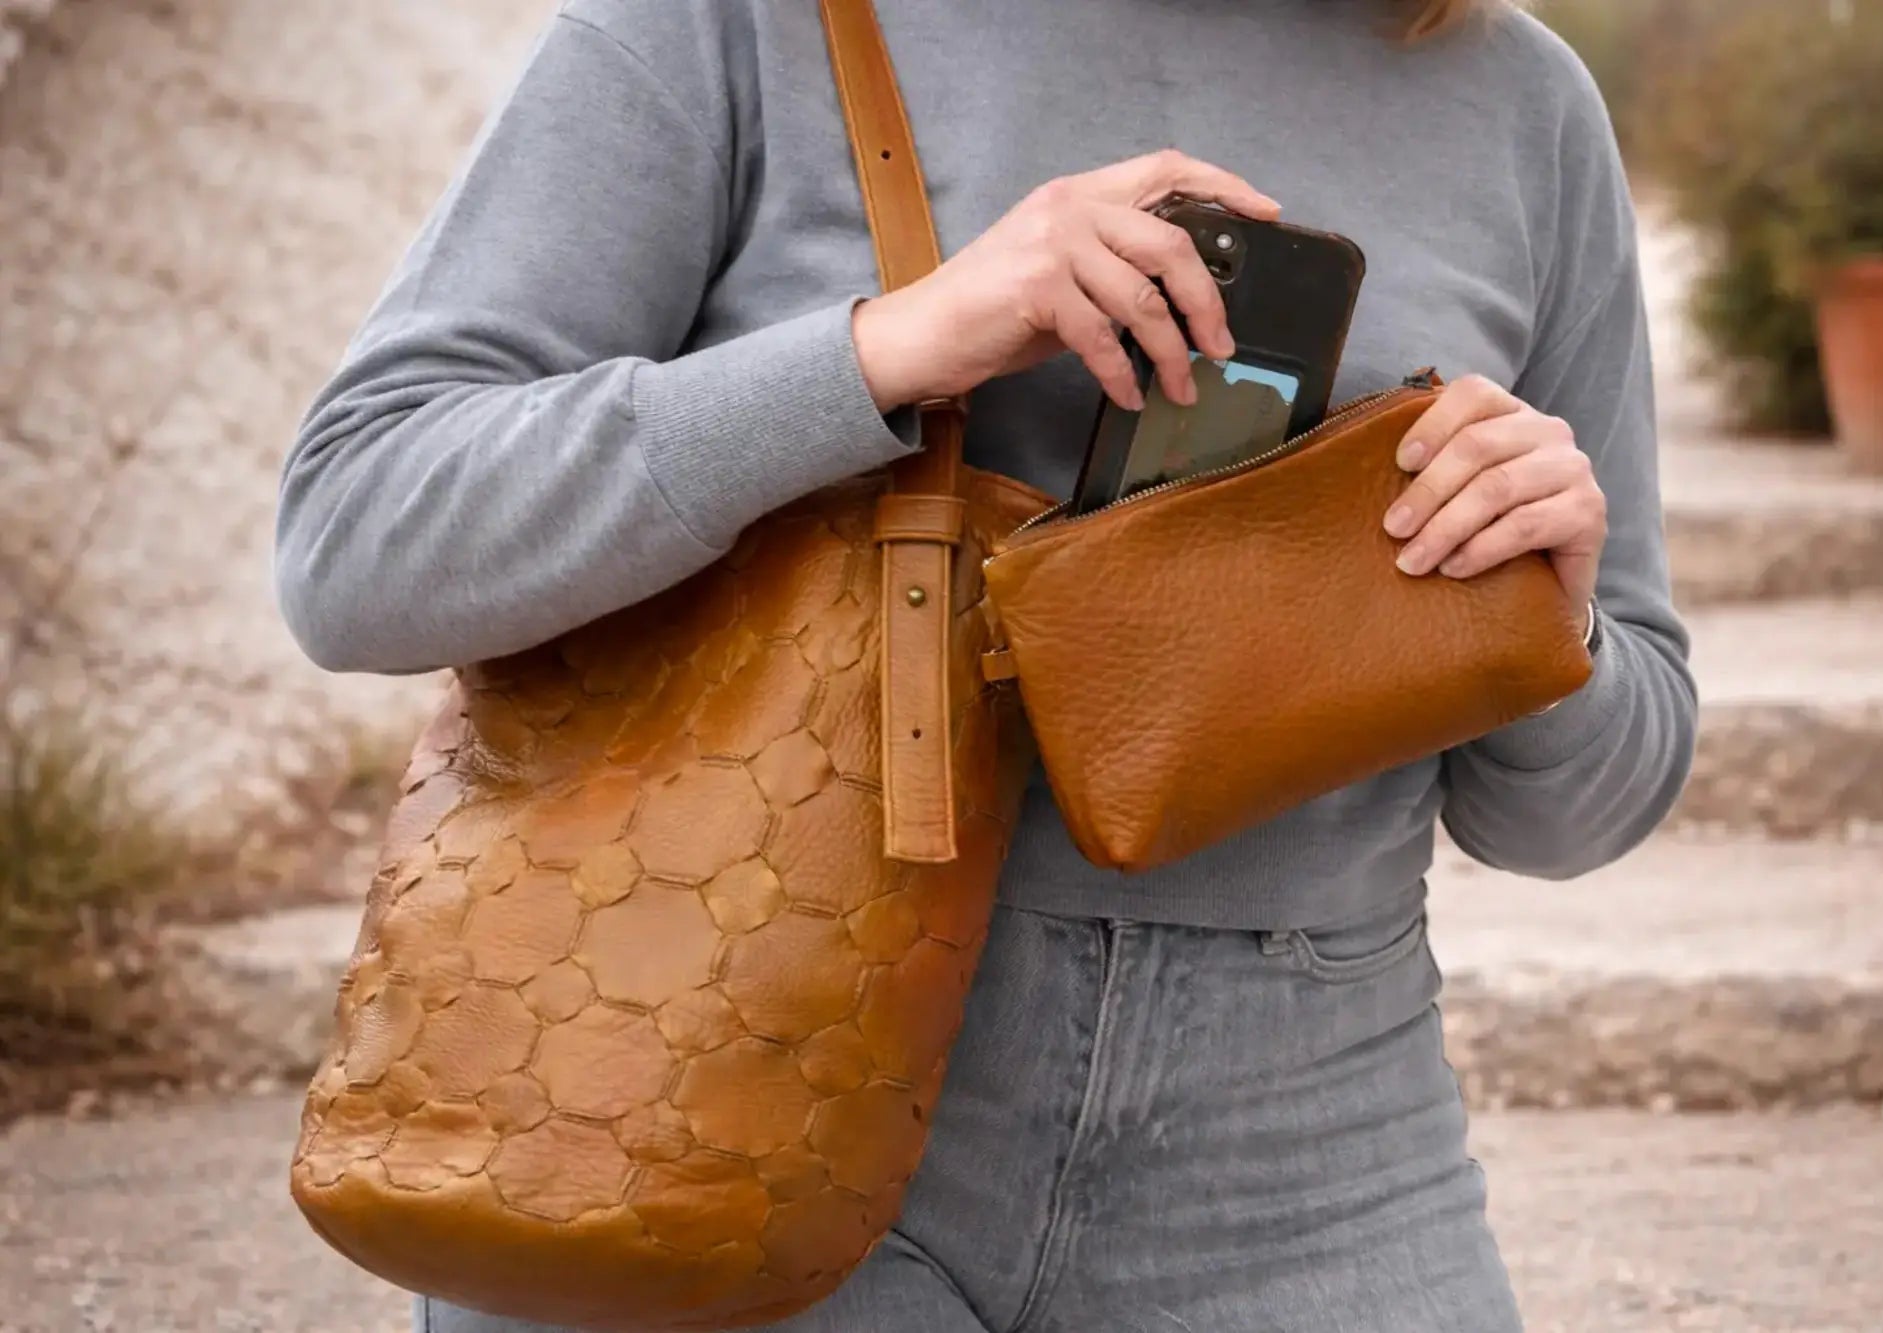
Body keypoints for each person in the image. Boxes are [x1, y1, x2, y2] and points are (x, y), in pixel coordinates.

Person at [276, 0, 1697, 1328]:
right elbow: (359, 539)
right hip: (720, 1062)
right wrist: (893, 350)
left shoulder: (1520, 101)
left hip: (1312, 1132)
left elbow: (1571, 813)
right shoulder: (737, 25)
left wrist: (1540, 617)